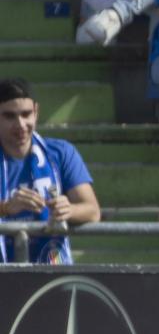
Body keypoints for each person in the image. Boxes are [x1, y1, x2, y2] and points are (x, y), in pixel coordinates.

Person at [0, 78, 101, 264]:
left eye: (26, 114)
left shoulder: (61, 152)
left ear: (36, 112)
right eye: (9, 116)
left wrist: (69, 210)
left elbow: (92, 211)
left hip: (51, 272)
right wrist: (5, 208)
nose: (20, 124)